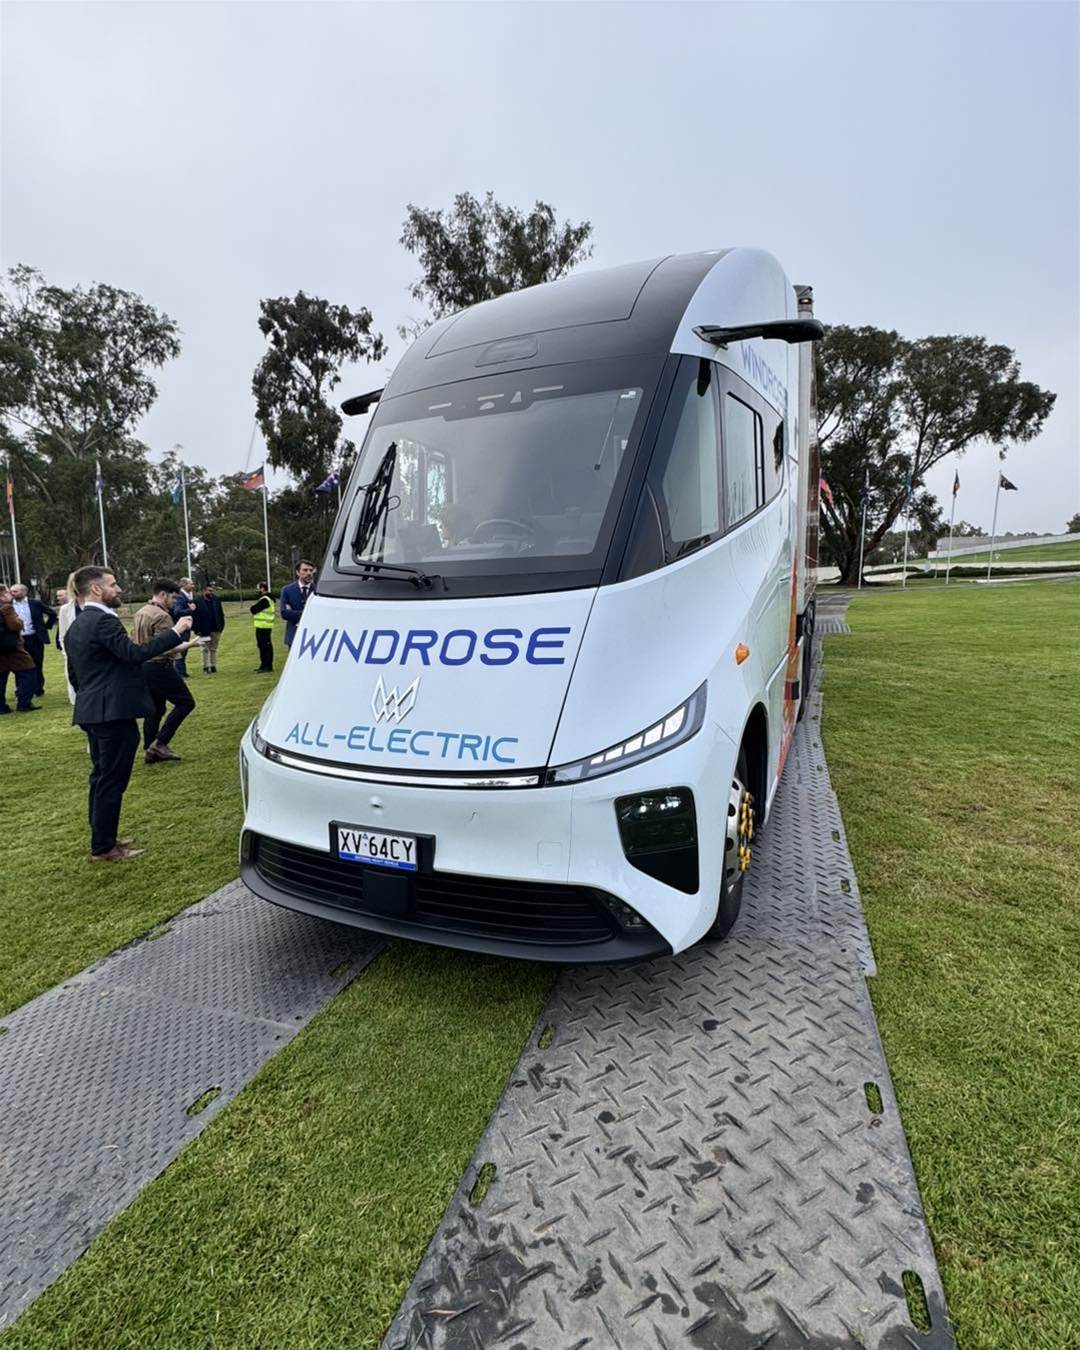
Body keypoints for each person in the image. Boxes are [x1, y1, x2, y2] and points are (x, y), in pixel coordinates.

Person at [62, 566, 192, 861]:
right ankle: (104, 847)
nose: (118, 589)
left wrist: (92, 699)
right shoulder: (103, 621)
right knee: (111, 780)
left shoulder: (76, 626)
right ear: (96, 589)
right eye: (113, 584)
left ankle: (103, 837)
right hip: (113, 713)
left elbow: (75, 674)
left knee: (100, 777)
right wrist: (176, 632)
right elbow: (134, 654)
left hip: (92, 711)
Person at [133, 578, 200, 763]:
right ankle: (160, 743)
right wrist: (190, 644)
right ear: (163, 595)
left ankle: (150, 750)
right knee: (186, 703)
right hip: (159, 666)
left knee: (156, 709)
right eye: (173, 598)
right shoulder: (162, 616)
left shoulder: (141, 612)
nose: (175, 602)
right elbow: (165, 646)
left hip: (144, 666)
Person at [11, 584, 56, 697]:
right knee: (19, 665)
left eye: (15, 591)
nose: (12, 593)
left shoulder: (35, 603)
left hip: (34, 638)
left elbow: (52, 613)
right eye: (11, 591)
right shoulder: (8, 605)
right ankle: (20, 690)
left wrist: (46, 627)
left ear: (24, 592)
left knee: (37, 663)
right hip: (17, 639)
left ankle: (38, 689)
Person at [0, 583, 39, 713]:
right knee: (29, 672)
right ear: (2, 595)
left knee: (1, 677)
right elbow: (14, 626)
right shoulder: (6, 608)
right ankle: (24, 702)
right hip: (12, 648)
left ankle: (1, 707)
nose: (10, 594)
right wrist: (20, 621)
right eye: (7, 592)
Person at [57, 572, 82, 705]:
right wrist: (67, 654)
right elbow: (63, 635)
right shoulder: (65, 609)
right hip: (74, 656)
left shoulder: (103, 606)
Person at [280, 560, 316, 648]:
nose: (309, 573)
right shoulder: (287, 590)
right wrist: (309, 613)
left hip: (314, 637)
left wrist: (293, 612)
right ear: (297, 572)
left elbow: (321, 613)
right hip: (294, 637)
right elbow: (284, 613)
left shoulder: (318, 590)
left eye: (311, 570)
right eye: (305, 570)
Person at [170, 578, 197, 677]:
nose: (193, 586)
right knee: (181, 649)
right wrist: (190, 609)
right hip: (181, 627)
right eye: (191, 584)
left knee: (184, 650)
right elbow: (177, 612)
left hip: (186, 627)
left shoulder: (186, 596)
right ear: (184, 585)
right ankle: (179, 672)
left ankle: (182, 671)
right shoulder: (180, 597)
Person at [250, 580, 275, 672]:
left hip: (264, 626)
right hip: (264, 626)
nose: (257, 590)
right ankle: (263, 665)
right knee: (262, 646)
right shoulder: (268, 598)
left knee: (265, 647)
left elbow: (253, 609)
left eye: (258, 588)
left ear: (262, 588)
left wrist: (252, 607)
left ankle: (267, 666)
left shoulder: (265, 599)